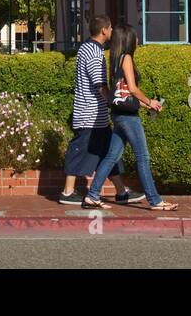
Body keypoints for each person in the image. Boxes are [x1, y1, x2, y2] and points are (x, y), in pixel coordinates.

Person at [84, 25, 179, 212]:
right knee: (143, 157)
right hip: (128, 118)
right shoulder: (127, 58)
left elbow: (124, 93)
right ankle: (155, 200)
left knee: (111, 156)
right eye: (135, 37)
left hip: (119, 115)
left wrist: (146, 104)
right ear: (128, 39)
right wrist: (150, 101)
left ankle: (92, 195)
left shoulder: (115, 59)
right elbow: (133, 89)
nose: (137, 40)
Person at [59, 15, 144, 205]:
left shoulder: (86, 48)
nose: (112, 31)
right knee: (79, 149)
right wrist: (113, 102)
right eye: (111, 28)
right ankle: (67, 192)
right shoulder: (94, 53)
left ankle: (122, 192)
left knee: (109, 152)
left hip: (96, 115)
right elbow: (100, 85)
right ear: (104, 30)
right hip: (90, 114)